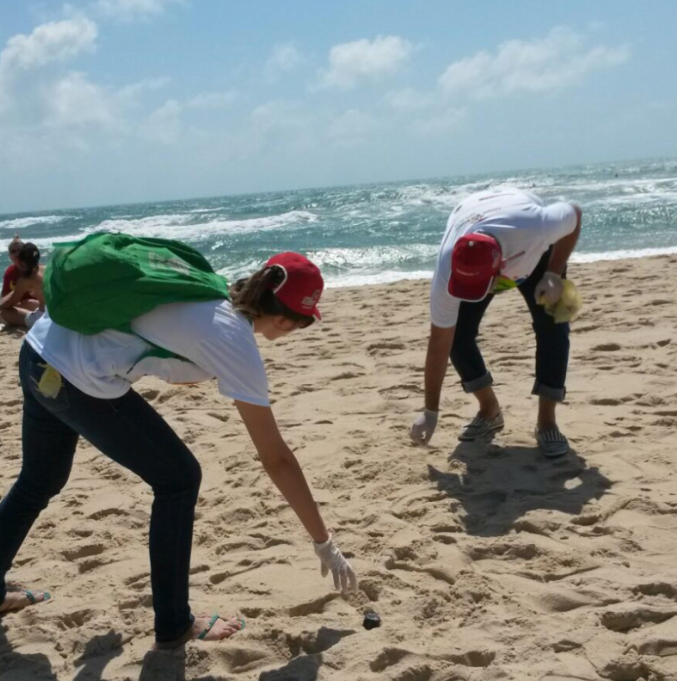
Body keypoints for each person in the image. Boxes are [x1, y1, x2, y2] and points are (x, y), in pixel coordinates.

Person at [0, 251, 358, 648]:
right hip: (72, 376)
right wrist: (324, 542)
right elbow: (276, 458)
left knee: (40, 478)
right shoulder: (236, 344)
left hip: (38, 351)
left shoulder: (211, 290)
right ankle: (174, 624)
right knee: (179, 479)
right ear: (288, 320)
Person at [410, 187, 582, 458]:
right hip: (474, 224)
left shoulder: (537, 227)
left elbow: (575, 214)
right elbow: (439, 341)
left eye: (483, 287)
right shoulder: (447, 267)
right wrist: (430, 412)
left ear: (500, 269)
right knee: (458, 337)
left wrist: (553, 272)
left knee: (553, 325)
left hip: (530, 248)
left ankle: (547, 422)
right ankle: (489, 410)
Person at [1, 237, 41, 328]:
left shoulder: (31, 273)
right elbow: (4, 297)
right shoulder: (10, 272)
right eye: (13, 251)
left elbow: (6, 302)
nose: (17, 253)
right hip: (24, 307)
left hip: (41, 309)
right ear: (9, 255)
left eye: (20, 250)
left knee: (28, 303)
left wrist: (16, 294)